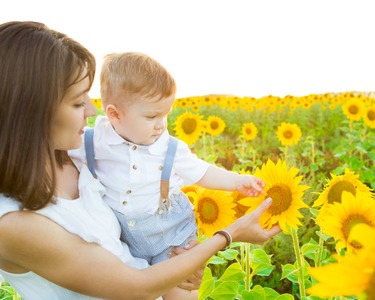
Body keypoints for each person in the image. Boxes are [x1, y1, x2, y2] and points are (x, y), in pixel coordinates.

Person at [0, 21, 281, 300]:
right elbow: (137, 287)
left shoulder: (78, 159)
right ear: (29, 110)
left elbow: (122, 239)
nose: (91, 109)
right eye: (77, 102)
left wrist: (179, 262)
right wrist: (228, 236)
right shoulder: (12, 222)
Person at [70, 52, 266, 299]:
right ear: (114, 115)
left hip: (171, 238)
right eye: (152, 116)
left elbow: (201, 172)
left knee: (182, 290)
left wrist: (238, 181)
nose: (161, 124)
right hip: (121, 242)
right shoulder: (92, 140)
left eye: (165, 114)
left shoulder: (169, 148)